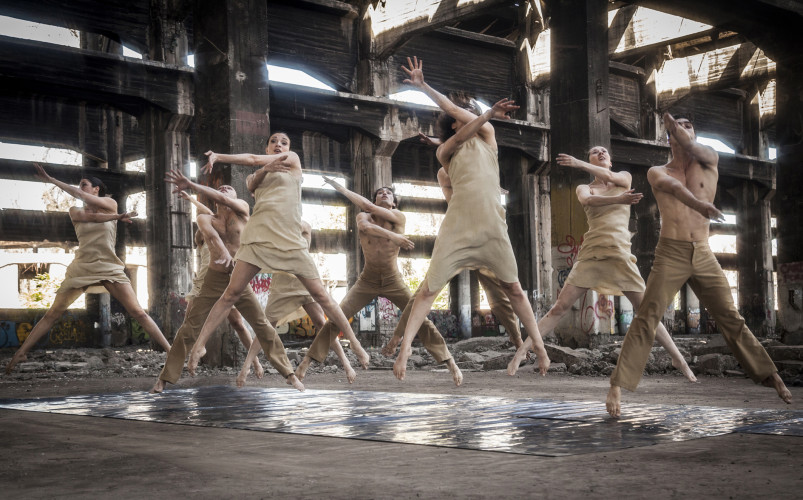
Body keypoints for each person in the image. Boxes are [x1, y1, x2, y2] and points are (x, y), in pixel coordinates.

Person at [606, 113, 792, 417]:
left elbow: (692, 144)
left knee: (730, 317)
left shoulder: (709, 159)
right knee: (648, 316)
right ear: (667, 138)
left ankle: (771, 376)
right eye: (677, 126)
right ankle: (617, 385)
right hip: (671, 252)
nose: (683, 129)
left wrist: (681, 132)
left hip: (703, 253)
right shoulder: (657, 171)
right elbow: (676, 189)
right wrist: (699, 204)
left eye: (688, 126)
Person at [391, 56, 550, 381]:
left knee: (515, 291)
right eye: (461, 112)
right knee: (426, 291)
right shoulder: (445, 152)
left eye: (471, 112)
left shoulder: (488, 135)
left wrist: (488, 115)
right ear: (451, 121)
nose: (469, 114)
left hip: (492, 226)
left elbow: (476, 126)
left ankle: (539, 347)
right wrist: (423, 87)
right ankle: (405, 347)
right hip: (459, 228)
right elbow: (455, 129)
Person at [186, 132, 370, 376]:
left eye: (283, 142)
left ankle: (355, 345)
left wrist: (220, 156)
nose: (279, 145)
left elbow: (252, 158)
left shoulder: (291, 161)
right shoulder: (255, 178)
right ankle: (199, 347)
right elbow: (253, 174)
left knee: (322, 297)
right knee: (231, 293)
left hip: (290, 240)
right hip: (259, 239)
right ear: (267, 147)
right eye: (274, 141)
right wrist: (264, 169)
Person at [506, 147, 696, 382]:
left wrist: (579, 162)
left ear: (611, 159)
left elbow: (614, 179)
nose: (601, 153)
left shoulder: (624, 178)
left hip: (620, 254)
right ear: (590, 160)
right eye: (595, 152)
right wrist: (617, 197)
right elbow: (589, 200)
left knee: (647, 311)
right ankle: (522, 351)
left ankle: (678, 358)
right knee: (559, 308)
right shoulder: (584, 187)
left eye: (604, 151)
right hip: (592, 254)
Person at [149, 165, 303, 393]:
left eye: (230, 189)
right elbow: (211, 237)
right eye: (221, 189)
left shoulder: (242, 209)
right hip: (214, 277)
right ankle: (164, 378)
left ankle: (289, 374)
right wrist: (221, 251)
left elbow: (225, 200)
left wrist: (191, 186)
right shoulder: (205, 218)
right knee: (188, 328)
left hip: (239, 278)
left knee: (261, 325)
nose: (226, 189)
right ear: (213, 200)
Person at [295, 180, 464, 385]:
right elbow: (365, 225)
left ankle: (450, 362)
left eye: (388, 193)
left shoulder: (398, 217)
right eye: (380, 192)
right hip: (367, 280)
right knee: (336, 319)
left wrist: (394, 234)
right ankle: (306, 361)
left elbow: (375, 214)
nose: (384, 194)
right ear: (373, 200)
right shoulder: (363, 216)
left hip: (393, 279)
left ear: (394, 203)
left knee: (422, 320)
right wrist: (393, 236)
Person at [5, 164, 170, 374]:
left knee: (138, 312)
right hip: (82, 266)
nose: (80, 189)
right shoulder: (75, 211)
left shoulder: (110, 203)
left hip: (109, 266)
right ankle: (21, 352)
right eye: (79, 186)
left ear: (96, 189)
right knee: (53, 314)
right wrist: (51, 180)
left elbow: (100, 212)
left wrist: (116, 215)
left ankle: (169, 350)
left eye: (84, 185)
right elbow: (92, 218)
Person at [381, 159, 526, 358]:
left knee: (498, 296)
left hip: (484, 239)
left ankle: (517, 339)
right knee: (424, 292)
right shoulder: (447, 175)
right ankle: (397, 339)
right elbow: (450, 169)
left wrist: (489, 182)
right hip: (457, 239)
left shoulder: (484, 180)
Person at [236, 220, 356, 387]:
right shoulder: (272, 226)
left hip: (304, 279)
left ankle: (345, 363)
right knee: (266, 325)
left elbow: (296, 236)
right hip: (282, 282)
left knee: (322, 323)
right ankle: (247, 367)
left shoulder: (303, 226)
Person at [180, 191, 264, 379]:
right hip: (204, 283)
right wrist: (191, 200)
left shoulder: (224, 224)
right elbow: (207, 213)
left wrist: (192, 199)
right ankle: (184, 358)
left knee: (238, 324)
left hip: (227, 280)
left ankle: (255, 363)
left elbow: (210, 209)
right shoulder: (204, 231)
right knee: (190, 322)